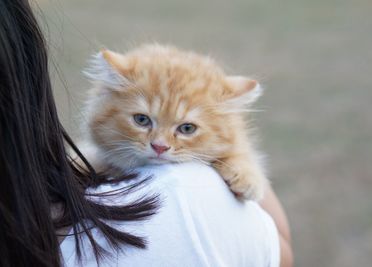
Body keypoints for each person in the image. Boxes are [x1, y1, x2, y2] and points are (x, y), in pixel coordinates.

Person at [0, 0, 293, 266]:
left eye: (186, 129)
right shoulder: (189, 202)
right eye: (142, 120)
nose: (160, 144)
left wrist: (234, 159)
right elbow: (282, 251)